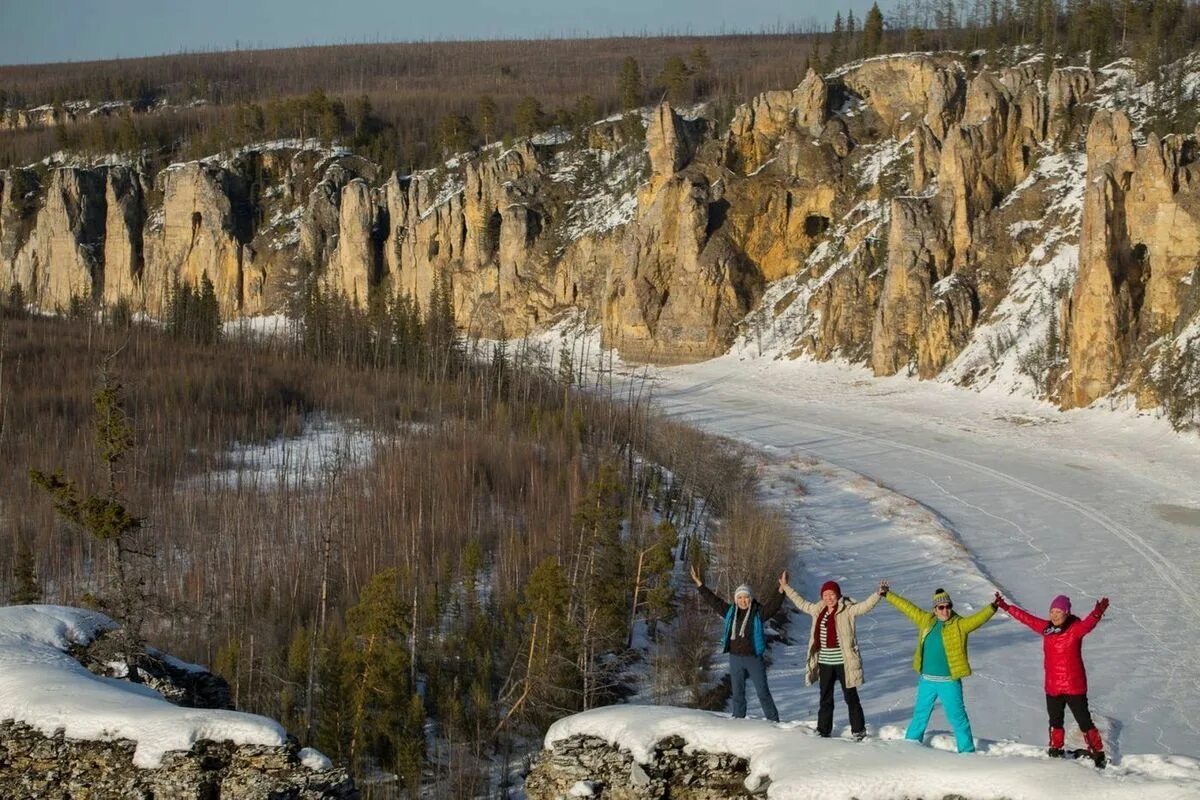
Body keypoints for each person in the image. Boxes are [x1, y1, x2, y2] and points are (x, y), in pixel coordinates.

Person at [994, 591, 1110, 768]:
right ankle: (1055, 748)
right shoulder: (1047, 629)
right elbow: (1027, 619)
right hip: (1053, 686)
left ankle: (1098, 752)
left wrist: (1097, 613)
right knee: (1055, 721)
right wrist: (1007, 607)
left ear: (1066, 613)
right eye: (1052, 611)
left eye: (1058, 611)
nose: (1054, 615)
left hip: (1073, 686)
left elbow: (1088, 625)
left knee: (1084, 721)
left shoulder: (1075, 629)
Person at [882, 582, 997, 753]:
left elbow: (977, 620)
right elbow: (907, 607)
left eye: (948, 607)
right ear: (935, 609)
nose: (945, 611)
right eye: (941, 607)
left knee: (958, 718)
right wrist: (887, 595)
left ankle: (967, 751)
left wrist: (993, 607)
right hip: (927, 680)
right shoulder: (925, 620)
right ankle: (909, 747)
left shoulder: (959, 625)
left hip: (949, 681)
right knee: (920, 715)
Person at [779, 574, 884, 739]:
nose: (829, 598)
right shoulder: (818, 610)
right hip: (824, 662)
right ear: (822, 596)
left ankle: (858, 730)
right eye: (825, 595)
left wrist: (877, 594)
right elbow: (800, 602)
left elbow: (864, 607)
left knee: (851, 697)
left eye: (832, 594)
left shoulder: (847, 609)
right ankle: (823, 729)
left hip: (844, 662)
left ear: (838, 595)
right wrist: (786, 587)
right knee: (825, 698)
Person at [690, 564, 783, 722]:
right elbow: (714, 601)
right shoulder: (731, 612)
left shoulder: (758, 613)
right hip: (735, 658)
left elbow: (772, 607)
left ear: (751, 598)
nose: (743, 601)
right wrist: (700, 585)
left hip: (754, 658)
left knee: (762, 692)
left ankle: (774, 721)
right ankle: (738, 720)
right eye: (739, 597)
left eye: (745, 597)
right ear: (736, 599)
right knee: (738, 692)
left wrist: (780, 589)